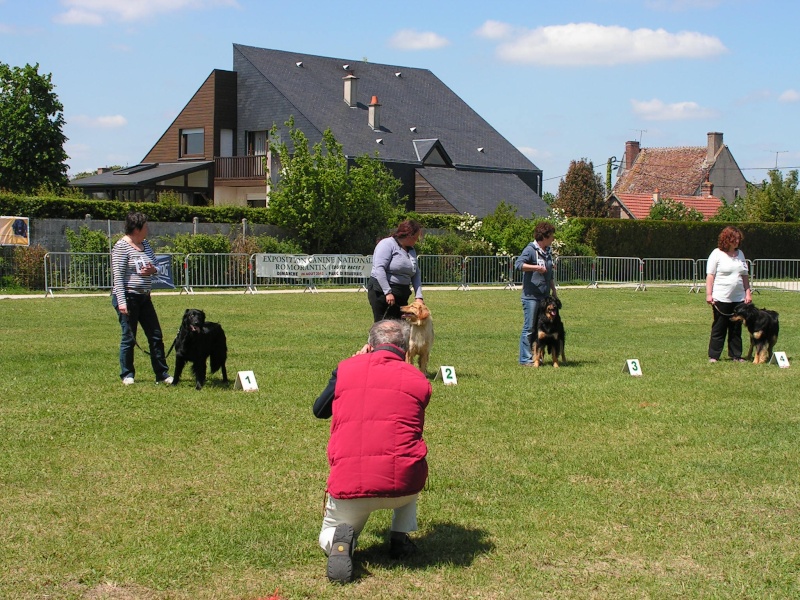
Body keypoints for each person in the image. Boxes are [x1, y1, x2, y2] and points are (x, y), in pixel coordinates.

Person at [313, 319, 432, 584]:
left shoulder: (346, 369)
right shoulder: (418, 378)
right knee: (408, 456)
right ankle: (399, 539)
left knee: (331, 532)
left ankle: (339, 544)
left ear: (369, 345)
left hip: (351, 486)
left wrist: (341, 370)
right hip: (404, 487)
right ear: (404, 350)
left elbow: (319, 410)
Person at [111, 212, 172, 385]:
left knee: (155, 335)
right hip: (128, 297)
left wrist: (152, 270)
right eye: (145, 226)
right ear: (137, 228)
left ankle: (162, 374)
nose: (148, 229)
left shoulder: (145, 244)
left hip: (145, 296)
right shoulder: (121, 247)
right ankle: (127, 374)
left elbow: (157, 266)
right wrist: (122, 302)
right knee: (129, 337)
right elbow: (118, 276)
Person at [514, 222, 559, 366]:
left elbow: (549, 274)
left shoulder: (548, 252)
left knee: (540, 328)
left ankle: (537, 357)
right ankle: (525, 359)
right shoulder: (530, 249)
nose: (553, 239)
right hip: (531, 297)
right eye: (551, 236)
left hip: (544, 297)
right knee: (529, 328)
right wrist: (536, 268)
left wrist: (554, 290)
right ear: (544, 236)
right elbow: (518, 265)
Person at [706, 225, 752, 362]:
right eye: (734, 239)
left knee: (736, 328)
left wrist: (747, 293)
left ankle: (736, 355)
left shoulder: (740, 254)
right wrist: (709, 294)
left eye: (738, 239)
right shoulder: (716, 254)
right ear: (727, 239)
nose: (737, 241)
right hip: (721, 297)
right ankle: (714, 355)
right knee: (719, 327)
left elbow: (744, 275)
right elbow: (710, 276)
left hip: (738, 298)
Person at [368, 220, 424, 322]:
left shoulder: (411, 250)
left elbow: (415, 273)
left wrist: (419, 296)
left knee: (401, 328)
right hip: (382, 293)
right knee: (383, 327)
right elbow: (379, 268)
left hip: (401, 294)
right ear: (409, 235)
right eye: (416, 237)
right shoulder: (387, 244)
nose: (417, 240)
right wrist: (387, 292)